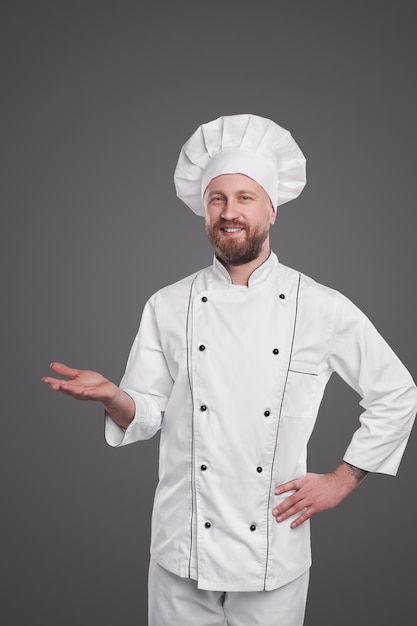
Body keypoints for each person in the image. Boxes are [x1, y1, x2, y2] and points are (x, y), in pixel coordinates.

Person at [43, 114, 417, 626]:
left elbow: (397, 392)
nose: (229, 212)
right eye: (217, 198)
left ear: (272, 207)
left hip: (273, 554)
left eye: (244, 197)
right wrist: (114, 397)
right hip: (181, 548)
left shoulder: (322, 306)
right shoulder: (167, 304)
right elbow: (147, 414)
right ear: (204, 211)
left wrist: (342, 480)